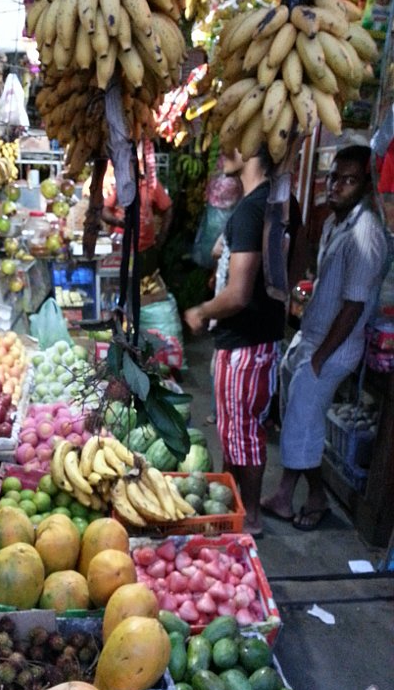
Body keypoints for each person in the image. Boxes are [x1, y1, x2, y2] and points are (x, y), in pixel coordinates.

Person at [262, 144, 391, 530]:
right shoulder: (338, 223)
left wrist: (320, 358)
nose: (335, 186)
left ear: (366, 185)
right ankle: (287, 494)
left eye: (347, 180)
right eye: (333, 177)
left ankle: (315, 499)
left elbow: (353, 307)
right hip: (313, 337)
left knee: (304, 419)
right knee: (298, 415)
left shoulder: (365, 235)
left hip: (333, 348)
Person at [184, 144, 297, 537]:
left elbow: (238, 294)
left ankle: (249, 518)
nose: (221, 152)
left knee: (245, 436)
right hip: (258, 340)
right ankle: (234, 506)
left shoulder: (254, 209)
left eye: (231, 140)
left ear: (251, 148)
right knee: (238, 432)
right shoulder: (275, 202)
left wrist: (201, 311)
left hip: (245, 344)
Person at [101, 155, 173, 277]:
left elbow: (168, 208)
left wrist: (162, 236)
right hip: (120, 249)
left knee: (145, 285)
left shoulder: (152, 185)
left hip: (145, 250)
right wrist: (118, 221)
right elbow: (104, 211)